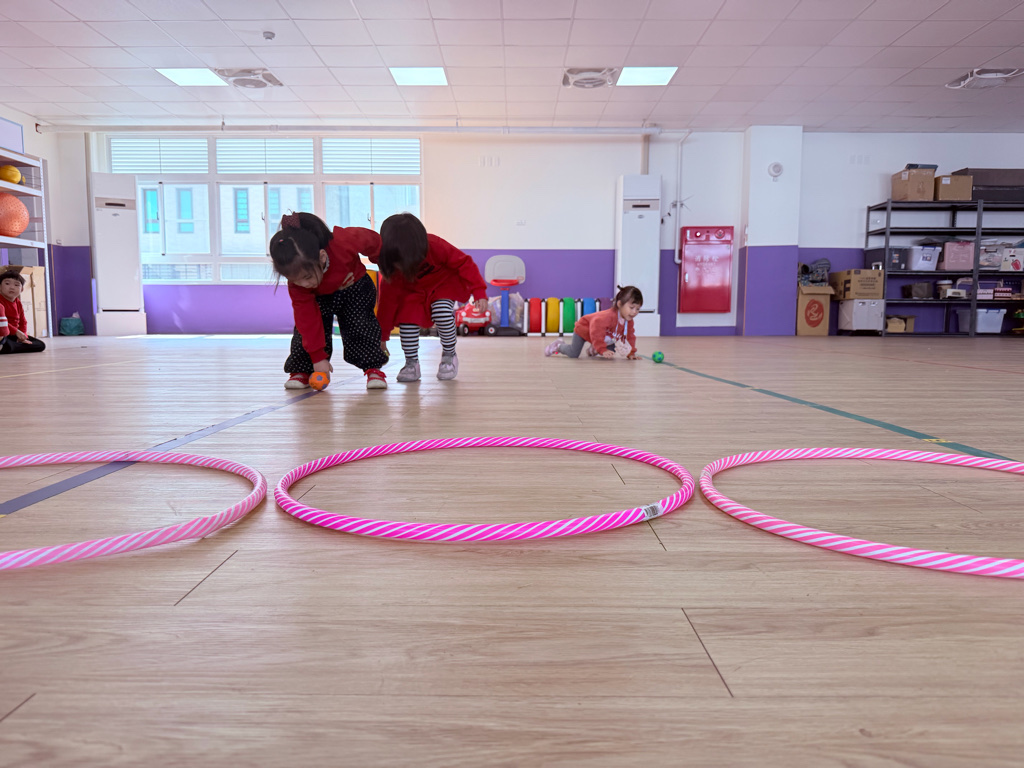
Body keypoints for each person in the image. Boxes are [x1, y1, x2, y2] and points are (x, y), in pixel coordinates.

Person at [269, 213, 389, 390]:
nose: (304, 284)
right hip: (320, 296)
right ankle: (302, 370)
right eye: (295, 280)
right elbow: (307, 320)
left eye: (307, 277)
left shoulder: (342, 242)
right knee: (304, 331)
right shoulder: (299, 286)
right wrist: (318, 358)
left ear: (322, 257)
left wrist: (383, 264)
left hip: (354, 287)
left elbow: (372, 241)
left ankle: (373, 369)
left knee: (360, 325)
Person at [375, 213, 488, 382]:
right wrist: (382, 336)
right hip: (413, 292)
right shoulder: (393, 271)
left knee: (441, 312)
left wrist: (479, 291)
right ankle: (411, 363)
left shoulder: (435, 245)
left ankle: (449, 355)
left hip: (442, 284)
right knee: (407, 322)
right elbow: (387, 304)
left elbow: (464, 263)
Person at [544, 285, 642, 360]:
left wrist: (631, 353)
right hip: (584, 330)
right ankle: (558, 346)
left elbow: (630, 336)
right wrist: (601, 349)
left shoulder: (628, 321)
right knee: (573, 353)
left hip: (600, 335)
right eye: (631, 308)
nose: (634, 312)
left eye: (637, 309)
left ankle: (593, 349)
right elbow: (596, 328)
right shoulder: (609, 316)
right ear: (619, 304)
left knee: (611, 350)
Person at [0, 270, 46, 354]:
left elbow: (23, 321)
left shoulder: (18, 302)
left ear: (21, 289)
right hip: (2, 334)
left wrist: (23, 336)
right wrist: (16, 331)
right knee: (5, 340)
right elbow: (2, 323)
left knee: (41, 345)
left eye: (16, 285)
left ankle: (10, 346)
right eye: (7, 284)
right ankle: (9, 346)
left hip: (14, 335)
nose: (12, 287)